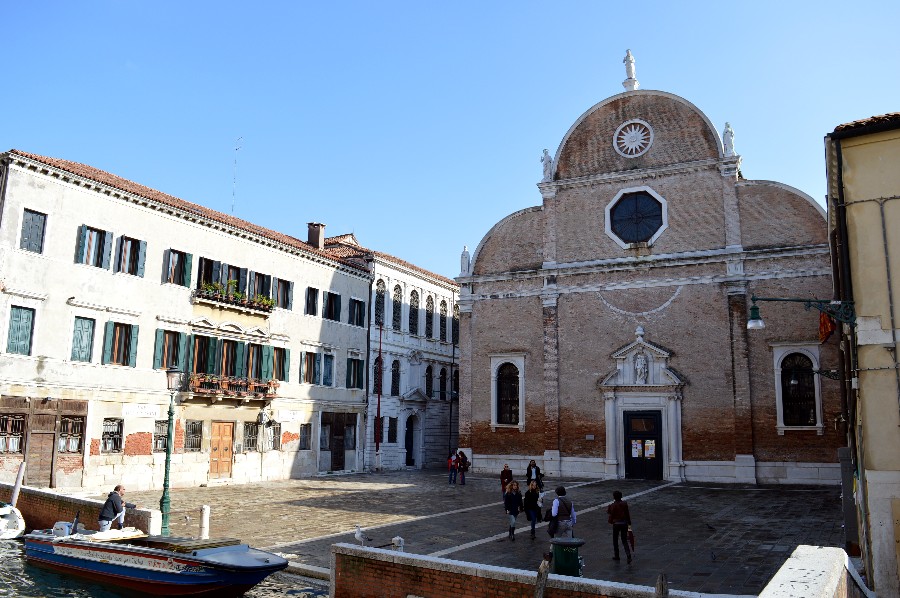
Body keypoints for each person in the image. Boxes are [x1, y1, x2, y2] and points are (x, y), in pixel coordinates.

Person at [607, 490, 632, 563]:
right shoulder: (624, 504)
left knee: (615, 540)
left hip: (616, 524)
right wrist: (629, 524)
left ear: (614, 497)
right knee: (624, 540)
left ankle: (617, 555)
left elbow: (610, 513)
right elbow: (627, 514)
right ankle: (628, 555)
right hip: (624, 524)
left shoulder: (612, 505)